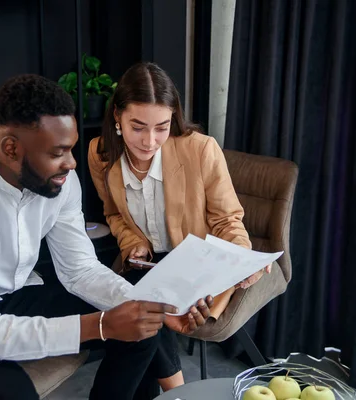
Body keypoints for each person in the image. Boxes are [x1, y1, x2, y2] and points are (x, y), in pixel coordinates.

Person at [0, 74, 214, 400]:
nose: (71, 164)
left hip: (13, 292)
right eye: (58, 153)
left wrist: (154, 307)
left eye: (70, 149)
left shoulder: (60, 180)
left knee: (143, 328)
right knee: (13, 394)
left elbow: (80, 270)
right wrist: (101, 325)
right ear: (11, 148)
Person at [88, 62, 272, 391]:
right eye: (138, 127)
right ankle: (176, 391)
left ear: (173, 116)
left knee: (139, 307)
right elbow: (113, 214)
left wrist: (243, 257)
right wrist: (133, 244)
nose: (150, 140)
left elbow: (227, 219)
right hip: (145, 263)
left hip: (194, 266)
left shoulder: (200, 149)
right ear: (117, 116)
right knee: (139, 303)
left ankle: (175, 390)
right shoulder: (100, 155)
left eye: (161, 126)